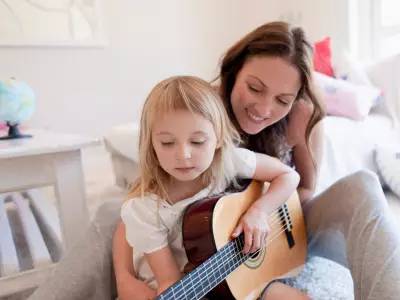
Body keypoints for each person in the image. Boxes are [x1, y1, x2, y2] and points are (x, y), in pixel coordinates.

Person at [29, 21, 400, 300]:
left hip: (284, 222)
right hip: (212, 238)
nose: (265, 108)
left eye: (282, 99)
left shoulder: (302, 113)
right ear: (234, 71)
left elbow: (302, 188)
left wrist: (260, 217)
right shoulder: (201, 109)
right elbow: (146, 192)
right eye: (255, 88)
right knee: (117, 212)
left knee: (363, 187)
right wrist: (126, 277)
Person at [120, 75, 304, 298]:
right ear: (151, 145)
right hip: (192, 285)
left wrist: (259, 212)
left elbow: (288, 176)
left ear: (218, 138)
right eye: (167, 143)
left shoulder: (229, 160)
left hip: (242, 275)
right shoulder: (144, 210)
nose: (183, 155)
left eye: (197, 141)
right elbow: (169, 281)